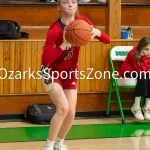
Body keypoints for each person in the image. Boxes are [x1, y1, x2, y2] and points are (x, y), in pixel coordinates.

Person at [40, 0, 110, 149]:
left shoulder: (82, 22)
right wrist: (64, 44)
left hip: (70, 71)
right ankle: (48, 146)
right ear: (59, 6)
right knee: (63, 108)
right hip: (51, 71)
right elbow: (46, 61)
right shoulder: (54, 29)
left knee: (71, 112)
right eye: (66, 2)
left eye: (74, 1)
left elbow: (107, 40)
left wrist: (98, 32)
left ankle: (59, 143)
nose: (71, 5)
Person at [120, 36, 150, 121]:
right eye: (146, 49)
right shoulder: (134, 53)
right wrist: (143, 58)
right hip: (128, 72)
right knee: (143, 76)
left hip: (140, 72)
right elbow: (141, 70)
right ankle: (136, 106)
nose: (149, 52)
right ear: (141, 49)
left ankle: (147, 107)